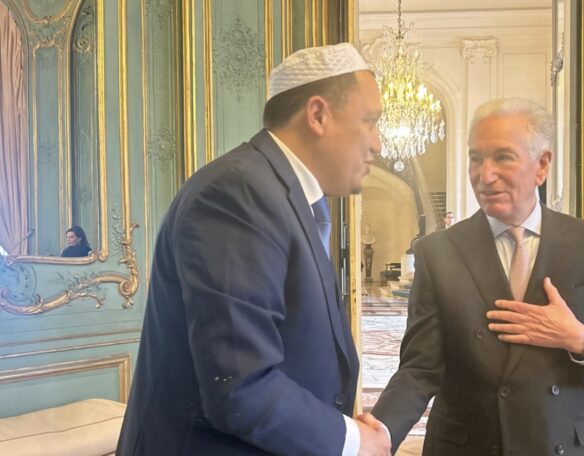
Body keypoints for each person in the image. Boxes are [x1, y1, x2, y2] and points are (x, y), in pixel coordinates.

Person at [117, 43, 390, 456]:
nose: (378, 144)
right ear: (318, 115)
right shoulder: (238, 192)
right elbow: (241, 386)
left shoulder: (278, 193)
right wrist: (351, 441)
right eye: (369, 121)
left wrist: (340, 427)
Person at [365, 98, 584, 455]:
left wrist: (579, 338)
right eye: (475, 159)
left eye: (503, 157)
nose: (484, 176)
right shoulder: (438, 252)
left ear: (542, 165)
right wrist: (379, 432)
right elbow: (419, 369)